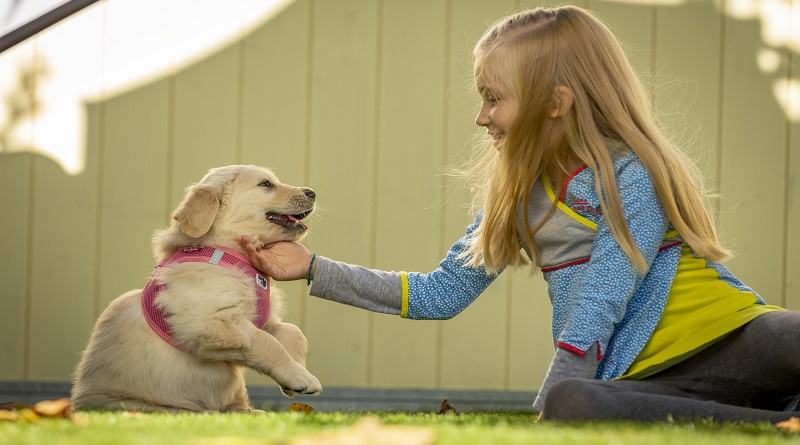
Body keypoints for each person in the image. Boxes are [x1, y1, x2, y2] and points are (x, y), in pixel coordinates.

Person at [239, 5, 800, 422]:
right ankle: (780, 424)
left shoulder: (632, 171)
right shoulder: (516, 198)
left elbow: (605, 291)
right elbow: (440, 294)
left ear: (555, 103)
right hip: (644, 383)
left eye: (493, 97)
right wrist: (313, 268)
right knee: (571, 402)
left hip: (735, 337)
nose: (482, 117)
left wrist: (553, 391)